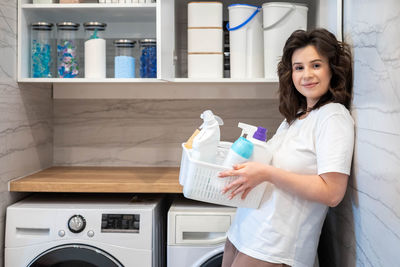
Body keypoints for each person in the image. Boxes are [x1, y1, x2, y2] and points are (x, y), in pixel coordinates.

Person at [219, 28, 354, 267]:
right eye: (298, 67)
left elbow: (332, 192)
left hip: (275, 247)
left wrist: (266, 173)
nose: (306, 75)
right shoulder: (296, 118)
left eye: (316, 65)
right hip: (247, 231)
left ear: (332, 68)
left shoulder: (333, 117)